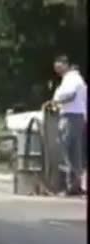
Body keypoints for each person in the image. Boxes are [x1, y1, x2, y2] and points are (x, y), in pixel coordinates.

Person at [50, 55, 87, 195]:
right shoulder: (79, 79)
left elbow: (70, 95)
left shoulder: (71, 78)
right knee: (76, 152)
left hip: (69, 116)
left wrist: (56, 102)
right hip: (78, 117)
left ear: (66, 64)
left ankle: (69, 186)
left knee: (65, 151)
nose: (57, 70)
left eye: (59, 67)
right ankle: (76, 184)